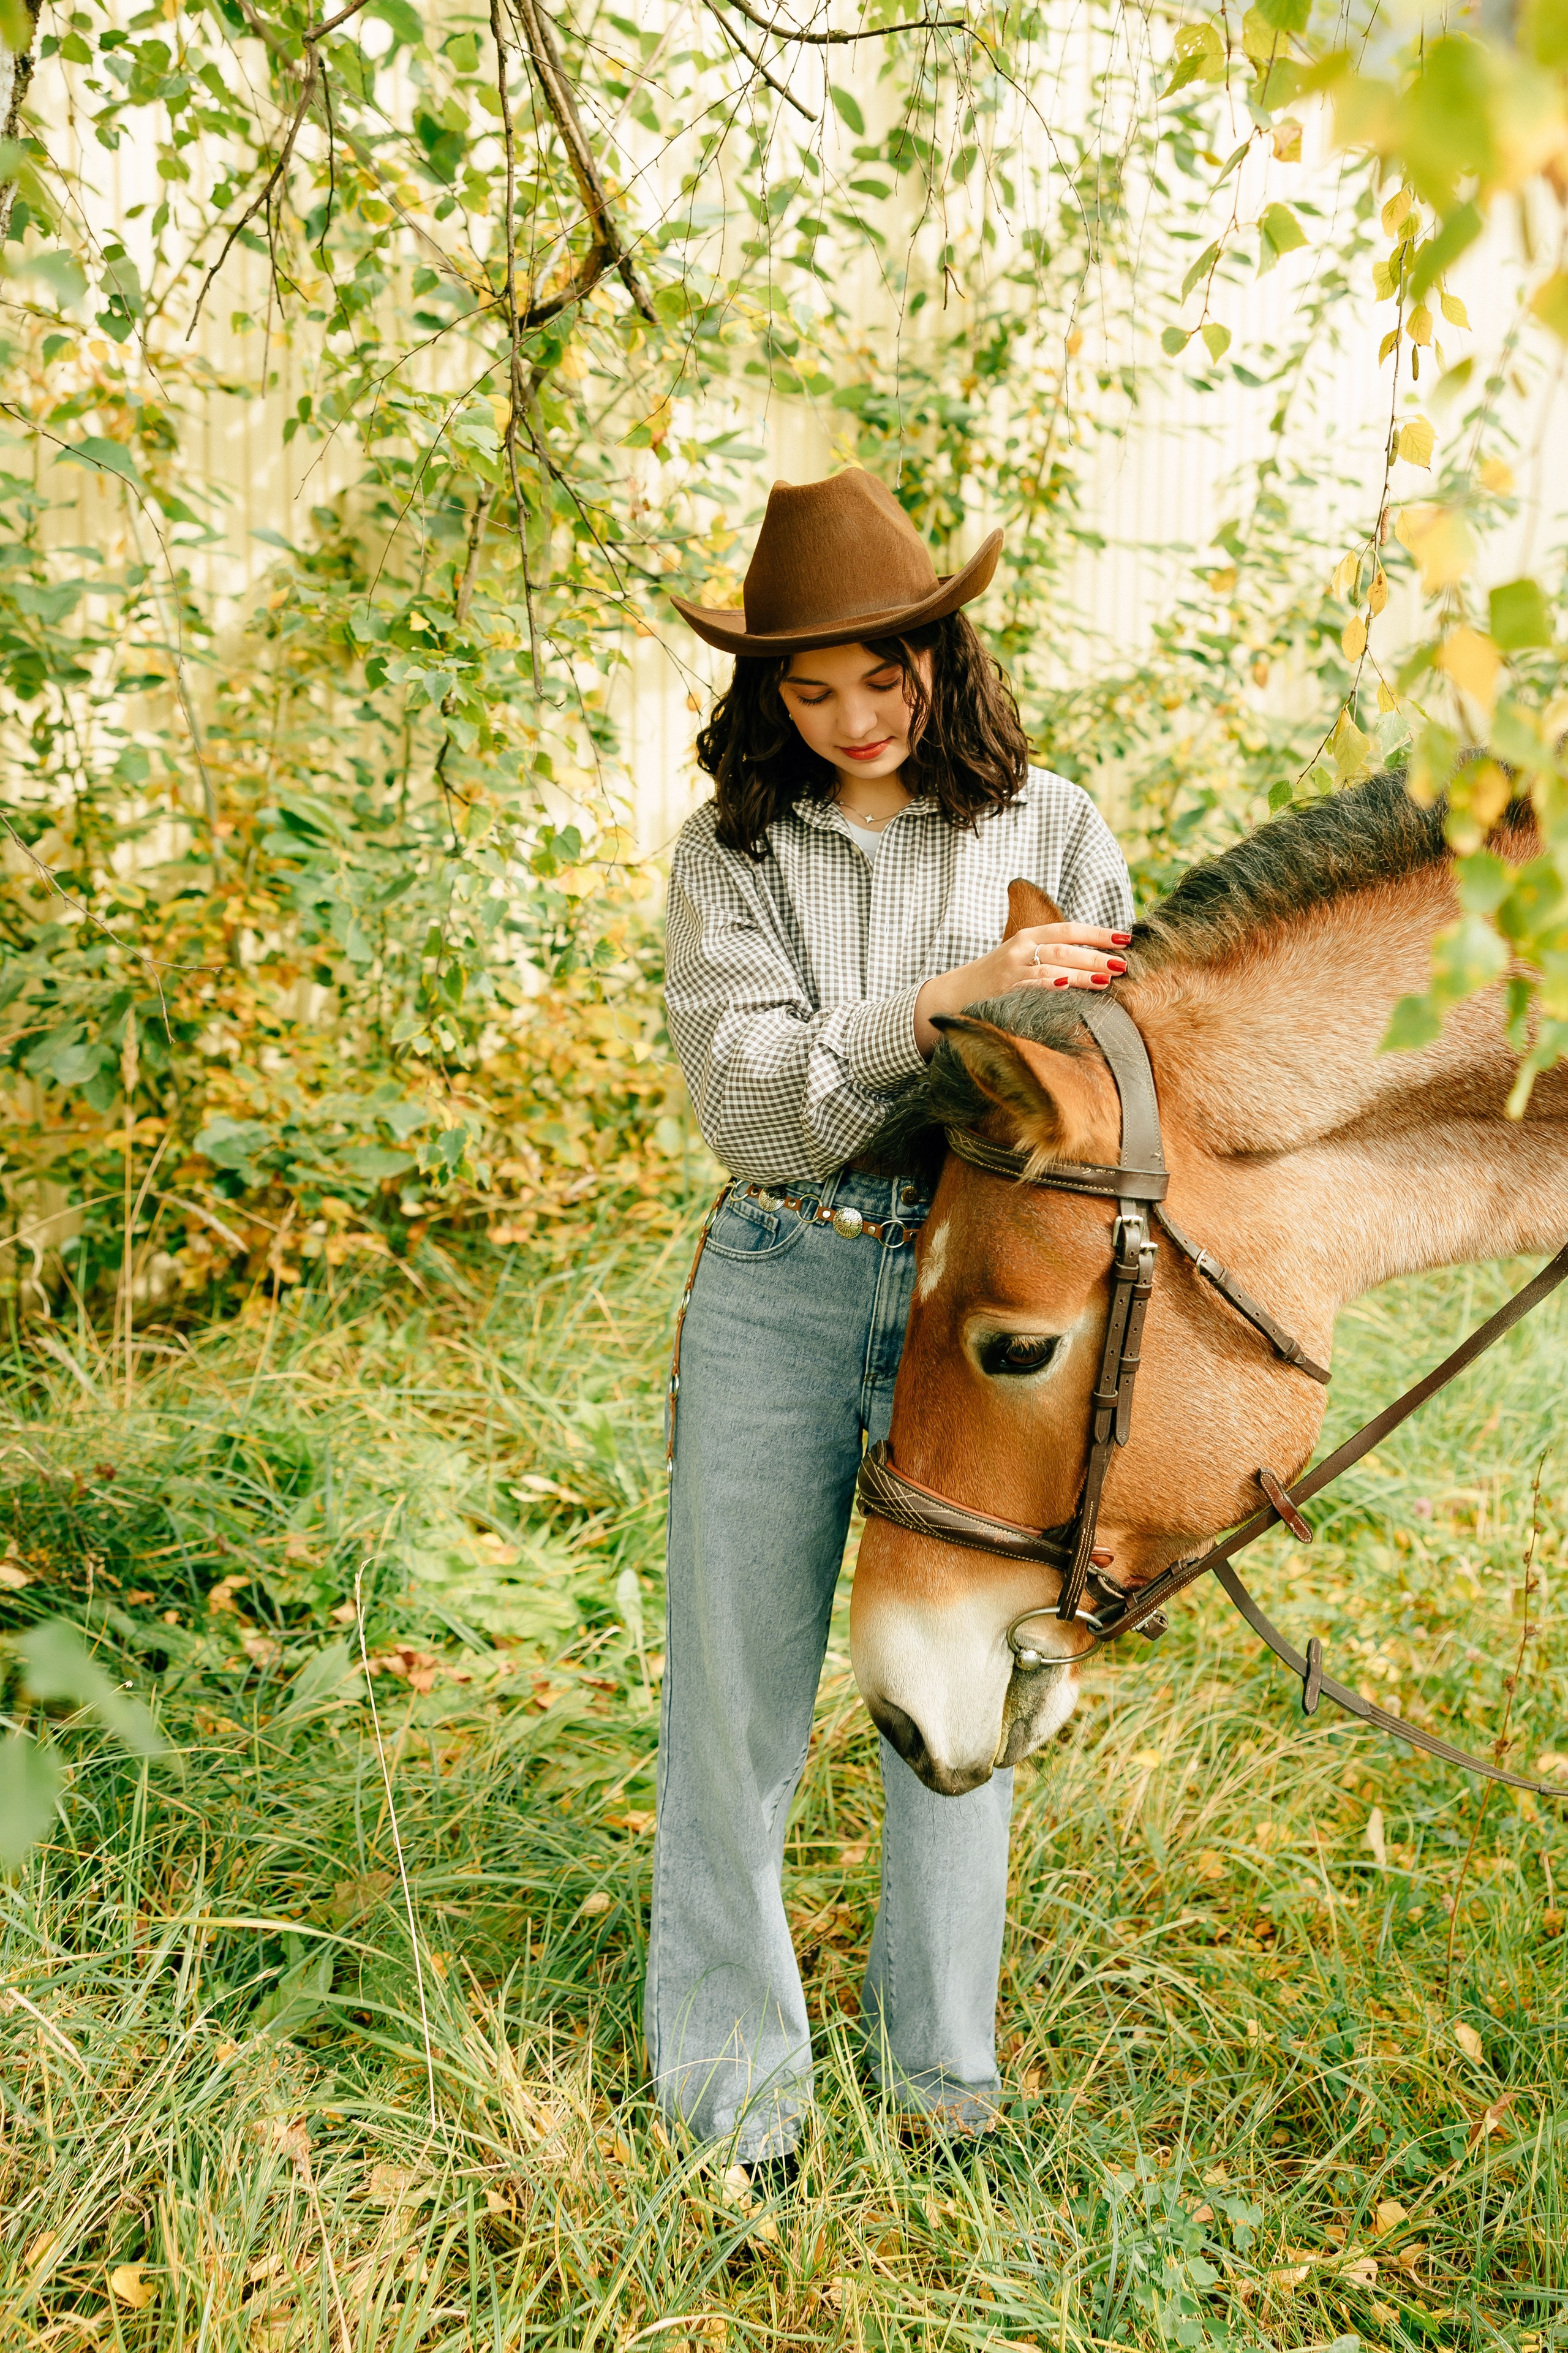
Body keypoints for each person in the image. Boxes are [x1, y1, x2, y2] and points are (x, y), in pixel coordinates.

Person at [647, 468, 1133, 2169]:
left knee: (958, 1682)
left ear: (944, 649)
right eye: (809, 684)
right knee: (736, 1699)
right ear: (765, 690)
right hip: (783, 1276)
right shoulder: (734, 858)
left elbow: (1109, 1078)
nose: (852, 715)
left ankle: (942, 2075)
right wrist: (937, 1008)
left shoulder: (1054, 828)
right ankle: (736, 2090)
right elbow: (759, 1107)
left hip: (984, 1292)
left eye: (884, 673)